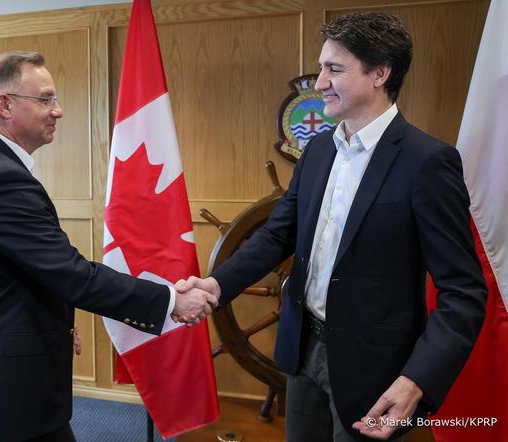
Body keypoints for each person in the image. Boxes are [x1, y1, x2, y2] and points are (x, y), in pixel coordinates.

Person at [176, 12, 487, 442]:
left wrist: (416, 380)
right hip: (301, 352)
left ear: (380, 73)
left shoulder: (428, 163)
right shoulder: (319, 150)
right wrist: (215, 286)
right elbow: (275, 235)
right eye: (323, 67)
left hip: (377, 370)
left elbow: (464, 293)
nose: (319, 82)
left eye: (333, 69)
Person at [0, 51, 217, 442]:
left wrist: (56, 320)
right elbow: (70, 273)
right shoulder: (0, 179)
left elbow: (17, 273)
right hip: (5, 386)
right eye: (46, 99)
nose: (58, 110)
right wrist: (171, 299)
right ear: (5, 104)